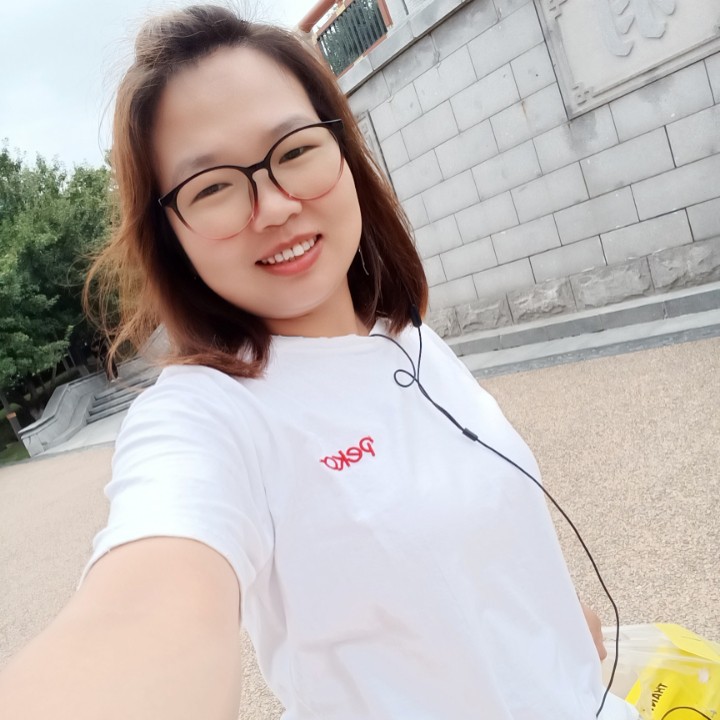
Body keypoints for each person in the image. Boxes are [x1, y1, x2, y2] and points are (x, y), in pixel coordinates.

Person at [0, 6, 637, 719]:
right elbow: (143, 613)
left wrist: (548, 624)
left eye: (295, 149)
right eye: (212, 187)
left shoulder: (408, 337)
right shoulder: (208, 416)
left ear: (343, 149)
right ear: (171, 235)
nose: (274, 206)